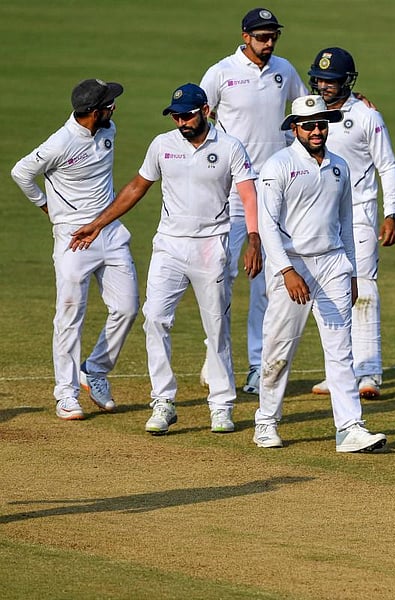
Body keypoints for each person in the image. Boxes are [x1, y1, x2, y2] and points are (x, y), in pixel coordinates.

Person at [69, 83, 260, 435]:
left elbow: (248, 195)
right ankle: (164, 401)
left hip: (211, 246)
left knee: (216, 327)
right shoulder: (162, 144)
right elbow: (136, 187)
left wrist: (253, 239)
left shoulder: (230, 147)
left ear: (205, 111)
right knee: (154, 319)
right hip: (169, 246)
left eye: (187, 115)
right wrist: (97, 224)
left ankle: (221, 405)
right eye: (176, 116)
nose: (181, 122)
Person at [253, 95, 387, 453]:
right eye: (309, 124)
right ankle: (266, 421)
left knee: (340, 349)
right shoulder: (277, 166)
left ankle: (349, 428)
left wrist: (354, 272)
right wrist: (285, 270)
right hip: (293, 265)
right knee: (279, 346)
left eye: (322, 124)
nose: (316, 130)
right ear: (294, 127)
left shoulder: (340, 166)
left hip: (332, 265)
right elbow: (267, 225)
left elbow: (347, 221)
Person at [11, 78, 139, 421]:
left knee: (127, 308)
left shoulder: (107, 130)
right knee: (69, 315)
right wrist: (48, 209)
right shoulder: (60, 142)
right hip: (72, 239)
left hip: (109, 233)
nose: (115, 109)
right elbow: (21, 172)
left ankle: (94, 369)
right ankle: (65, 394)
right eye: (109, 105)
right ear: (94, 112)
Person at [199, 7, 308, 395]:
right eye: (261, 37)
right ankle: (216, 361)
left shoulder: (285, 70)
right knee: (220, 279)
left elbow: (306, 113)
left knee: (266, 279)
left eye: (273, 36)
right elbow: (198, 118)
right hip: (229, 189)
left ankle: (258, 365)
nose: (268, 43)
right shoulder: (220, 72)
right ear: (245, 36)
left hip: (273, 188)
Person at [306, 47, 395, 400]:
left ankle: (369, 372)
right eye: (319, 79)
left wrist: (391, 212)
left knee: (363, 288)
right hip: (318, 216)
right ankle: (339, 371)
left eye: (331, 81)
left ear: (347, 82)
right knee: (329, 291)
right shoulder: (308, 112)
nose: (324, 85)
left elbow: (387, 165)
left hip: (360, 214)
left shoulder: (366, 116)